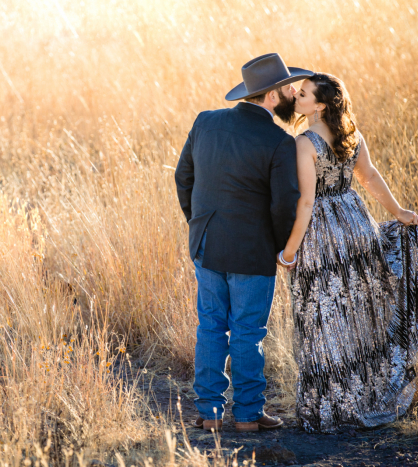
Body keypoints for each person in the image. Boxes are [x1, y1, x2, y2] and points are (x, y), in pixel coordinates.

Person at [278, 72, 418, 433]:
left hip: (322, 235)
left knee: (323, 317)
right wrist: (398, 212)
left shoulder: (304, 143)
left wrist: (289, 252)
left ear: (318, 106)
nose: (296, 97)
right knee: (355, 315)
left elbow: (306, 203)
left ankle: (332, 406)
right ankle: (364, 395)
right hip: (356, 223)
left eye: (302, 95)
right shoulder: (352, 134)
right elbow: (371, 176)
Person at [174, 53, 312, 432]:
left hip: (206, 246)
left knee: (210, 327)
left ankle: (210, 413)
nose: (292, 95)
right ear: (270, 97)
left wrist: (199, 225)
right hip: (252, 254)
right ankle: (249, 415)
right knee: (249, 334)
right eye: (287, 89)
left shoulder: (206, 122)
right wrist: (283, 248)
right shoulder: (279, 140)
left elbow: (182, 178)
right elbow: (284, 204)